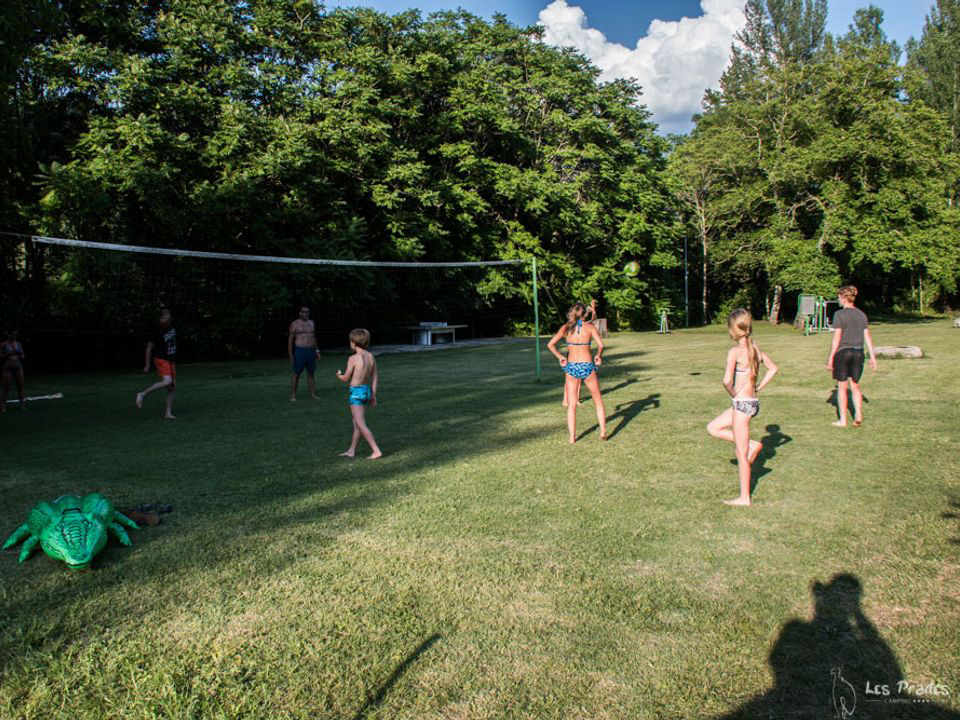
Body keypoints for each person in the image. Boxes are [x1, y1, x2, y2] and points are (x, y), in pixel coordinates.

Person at [707, 308, 778, 506]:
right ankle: (753, 445)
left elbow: (726, 381)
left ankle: (745, 497)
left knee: (741, 452)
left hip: (742, 405)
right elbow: (773, 368)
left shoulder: (735, 351)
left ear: (734, 330)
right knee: (712, 427)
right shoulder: (754, 347)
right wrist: (758, 388)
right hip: (752, 404)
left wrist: (735, 395)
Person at [547, 302, 607, 443]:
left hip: (572, 367)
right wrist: (598, 355)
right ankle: (603, 431)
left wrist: (561, 356)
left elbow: (550, 344)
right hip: (587, 366)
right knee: (597, 400)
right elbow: (601, 345)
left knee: (572, 404)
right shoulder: (590, 327)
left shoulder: (566, 328)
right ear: (585, 314)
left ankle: (572, 437)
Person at [826, 285, 877, 427]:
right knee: (855, 385)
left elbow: (837, 337)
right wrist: (872, 357)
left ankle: (843, 420)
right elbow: (867, 336)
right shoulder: (861, 314)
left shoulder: (839, 314)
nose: (838, 299)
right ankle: (858, 415)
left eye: (838, 297)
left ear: (843, 297)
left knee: (842, 387)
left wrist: (830, 358)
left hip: (843, 352)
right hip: (859, 352)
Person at [335, 328, 382, 459]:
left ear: (354, 342)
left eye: (350, 340)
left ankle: (376, 450)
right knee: (357, 423)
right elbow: (375, 377)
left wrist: (339, 375)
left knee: (360, 424)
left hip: (356, 392)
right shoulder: (370, 356)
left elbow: (345, 378)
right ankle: (351, 450)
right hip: (366, 391)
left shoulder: (353, 358)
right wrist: (373, 395)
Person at [136, 309, 177, 419]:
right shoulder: (157, 331)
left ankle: (168, 413)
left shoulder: (171, 326)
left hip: (171, 360)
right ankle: (142, 394)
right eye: (164, 318)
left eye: (168, 317)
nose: (166, 320)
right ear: (160, 319)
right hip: (160, 359)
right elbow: (149, 348)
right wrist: (147, 365)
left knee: (172, 387)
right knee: (167, 381)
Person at [561, 298, 599, 408]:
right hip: (573, 355)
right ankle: (565, 400)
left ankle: (575, 399)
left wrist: (593, 309)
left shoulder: (582, 325)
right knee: (570, 377)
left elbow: (593, 320)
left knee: (576, 378)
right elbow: (592, 320)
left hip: (579, 356)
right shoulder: (571, 326)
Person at [289, 305, 320, 401]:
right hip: (300, 350)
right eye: (304, 312)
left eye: (307, 312)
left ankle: (313, 394)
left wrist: (317, 350)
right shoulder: (295, 324)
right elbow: (290, 340)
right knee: (296, 373)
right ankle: (293, 395)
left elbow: (314, 338)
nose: (306, 313)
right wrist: (291, 355)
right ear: (300, 313)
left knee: (311, 373)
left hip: (310, 350)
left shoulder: (312, 323)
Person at [1, 330, 26, 412]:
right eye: (12, 334)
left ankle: (22, 405)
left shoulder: (18, 344)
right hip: (8, 367)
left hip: (18, 366)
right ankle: (3, 406)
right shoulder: (4, 344)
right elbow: (0, 355)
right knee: (6, 387)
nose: (14, 336)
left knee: (20, 387)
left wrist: (20, 354)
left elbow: (23, 355)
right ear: (8, 335)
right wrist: (6, 354)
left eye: (15, 335)